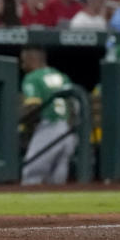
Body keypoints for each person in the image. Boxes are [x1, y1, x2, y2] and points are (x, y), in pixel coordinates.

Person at [19, 46, 77, 185]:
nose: (22, 65)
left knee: (30, 173)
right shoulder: (62, 76)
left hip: (49, 127)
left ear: (32, 59)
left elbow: (33, 107)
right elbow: (74, 107)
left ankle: (28, 206)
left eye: (24, 61)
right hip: (68, 130)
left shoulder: (32, 78)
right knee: (58, 177)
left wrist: (22, 124)